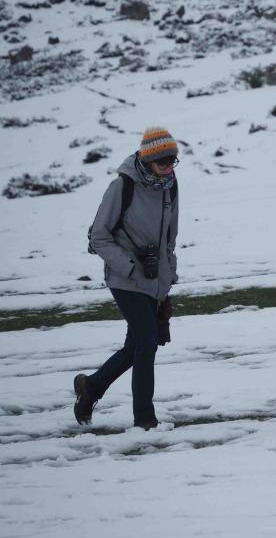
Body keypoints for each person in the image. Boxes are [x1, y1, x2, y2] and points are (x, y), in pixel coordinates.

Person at [74, 127, 180, 429]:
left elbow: (169, 237)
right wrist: (130, 267)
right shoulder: (122, 187)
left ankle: (90, 387)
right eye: (163, 162)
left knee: (136, 346)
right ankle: (145, 420)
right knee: (146, 343)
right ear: (148, 160)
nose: (169, 167)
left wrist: (168, 274)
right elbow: (98, 236)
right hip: (124, 279)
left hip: (154, 280)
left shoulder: (170, 186)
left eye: (173, 161)